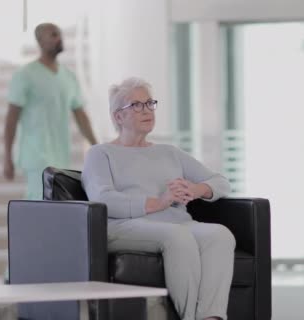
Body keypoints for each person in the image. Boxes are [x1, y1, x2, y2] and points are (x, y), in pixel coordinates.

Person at [81, 77, 235, 320]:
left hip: (177, 224)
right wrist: (160, 202)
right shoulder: (100, 154)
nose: (147, 110)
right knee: (177, 236)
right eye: (137, 105)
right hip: (123, 226)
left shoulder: (169, 152)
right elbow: (103, 199)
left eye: (150, 103)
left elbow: (221, 182)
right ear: (118, 117)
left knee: (220, 235)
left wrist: (195, 189)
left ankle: (211, 317)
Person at [3, 22, 97, 200]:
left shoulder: (69, 77)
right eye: (53, 35)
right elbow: (11, 119)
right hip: (36, 155)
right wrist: (7, 156)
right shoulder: (25, 75)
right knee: (38, 203)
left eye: (60, 34)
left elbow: (81, 115)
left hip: (61, 155)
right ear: (39, 41)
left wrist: (96, 145)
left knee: (56, 206)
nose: (59, 38)